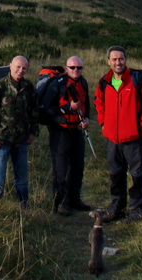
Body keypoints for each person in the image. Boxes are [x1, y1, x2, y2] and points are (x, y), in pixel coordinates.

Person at [94, 45, 142, 223]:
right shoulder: (105, 82)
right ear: (108, 61)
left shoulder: (138, 79)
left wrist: (141, 127)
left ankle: (137, 212)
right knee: (116, 174)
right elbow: (98, 101)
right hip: (112, 139)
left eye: (121, 59)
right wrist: (103, 122)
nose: (118, 62)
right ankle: (117, 208)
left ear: (125, 60)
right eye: (114, 59)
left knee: (137, 175)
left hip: (134, 139)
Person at [0, 55, 39, 207]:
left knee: (22, 179)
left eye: (24, 68)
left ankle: (24, 207)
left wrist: (33, 133)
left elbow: (34, 112)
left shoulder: (28, 87)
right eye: (17, 67)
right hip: (1, 141)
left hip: (21, 141)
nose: (20, 70)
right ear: (10, 66)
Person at [40, 55, 91, 216]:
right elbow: (45, 109)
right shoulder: (57, 85)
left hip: (76, 130)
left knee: (77, 167)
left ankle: (75, 199)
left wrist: (87, 119)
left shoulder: (83, 83)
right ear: (66, 68)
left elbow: (86, 104)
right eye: (72, 67)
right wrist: (67, 108)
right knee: (61, 169)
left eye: (79, 68)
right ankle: (61, 202)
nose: (76, 70)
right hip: (59, 131)